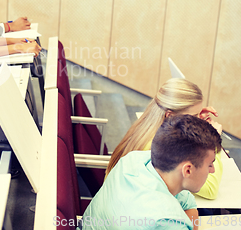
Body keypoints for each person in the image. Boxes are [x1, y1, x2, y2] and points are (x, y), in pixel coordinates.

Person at [80, 115, 222, 230]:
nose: (212, 170)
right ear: (188, 170)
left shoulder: (133, 160)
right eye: (210, 164)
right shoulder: (166, 221)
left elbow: (189, 204)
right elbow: (185, 211)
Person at [105, 78, 223, 200]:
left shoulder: (148, 126)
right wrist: (213, 141)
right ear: (170, 116)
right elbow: (210, 189)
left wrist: (197, 122)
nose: (198, 119)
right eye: (194, 116)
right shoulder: (160, 146)